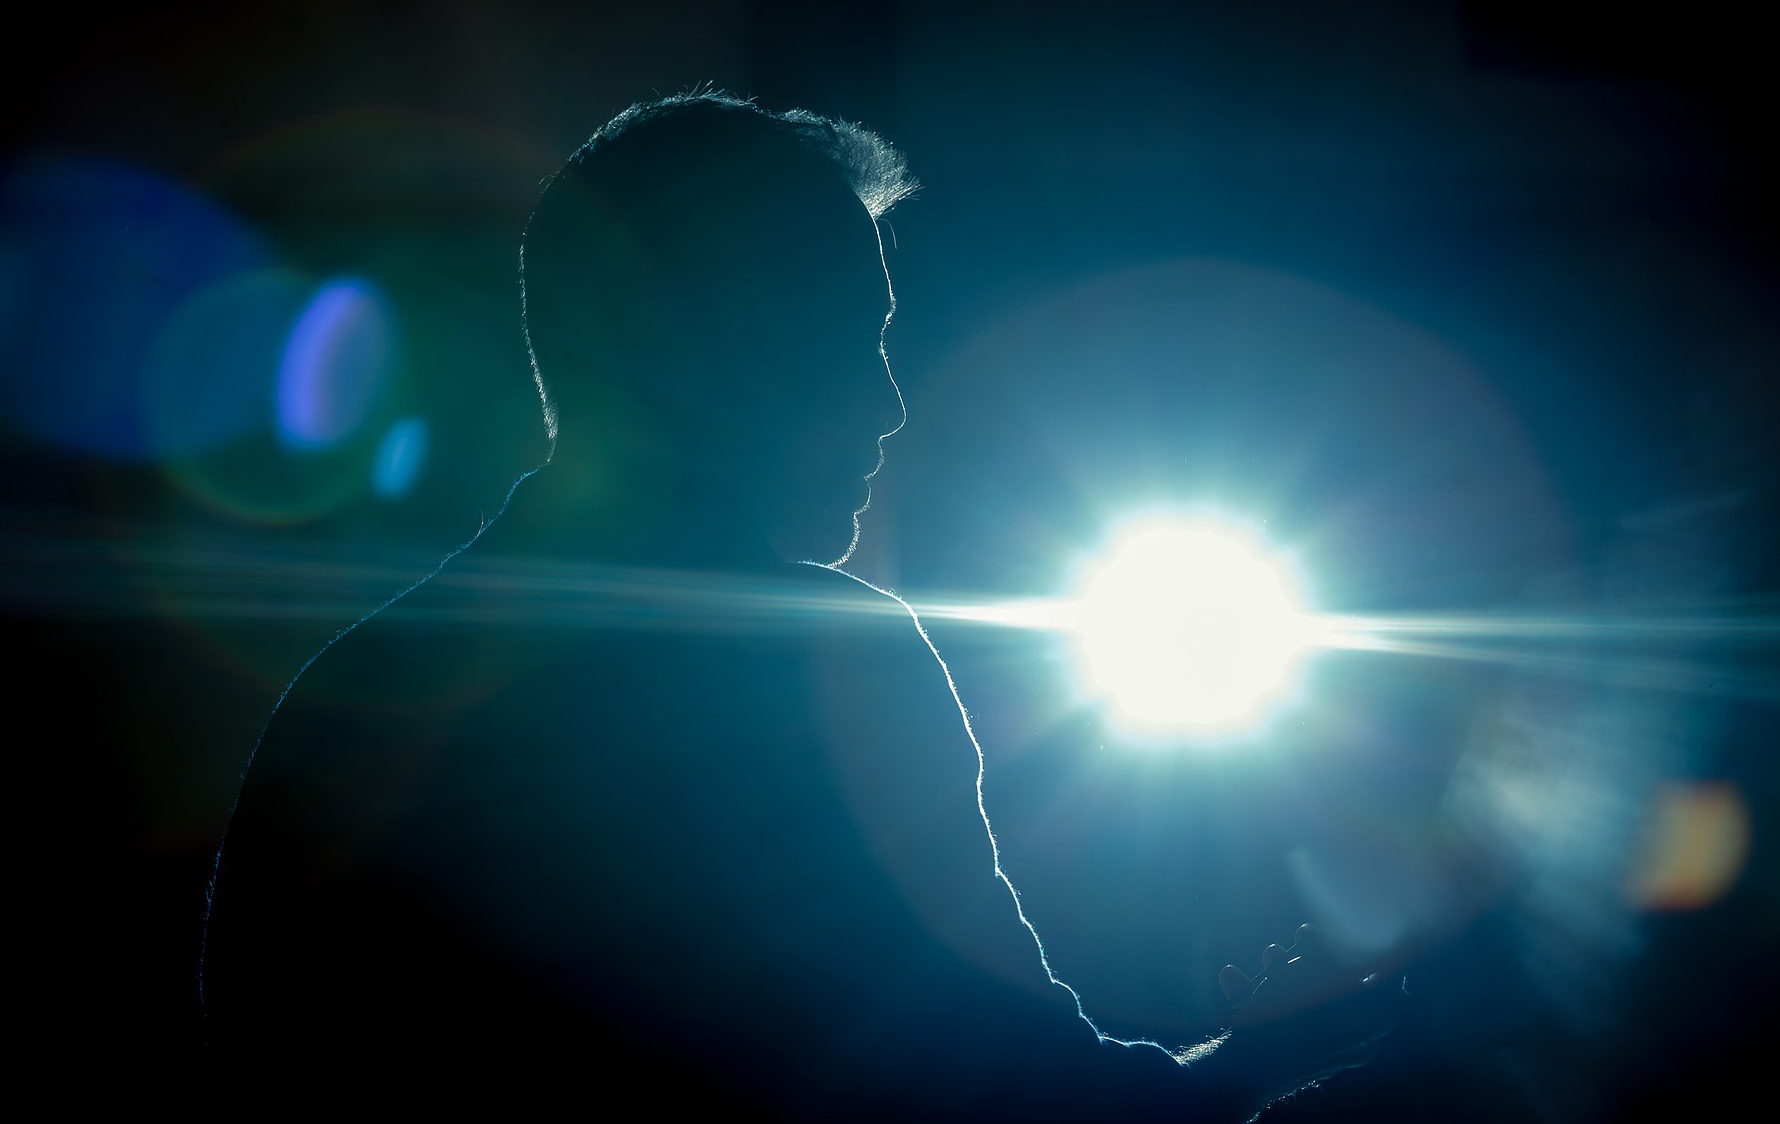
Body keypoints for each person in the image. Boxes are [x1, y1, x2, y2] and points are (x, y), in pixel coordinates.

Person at [205, 91, 1394, 1118]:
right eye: (843, 344)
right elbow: (1004, 1097)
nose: (887, 405)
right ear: (707, 349)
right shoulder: (814, 672)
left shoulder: (353, 700)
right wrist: (1321, 1031)